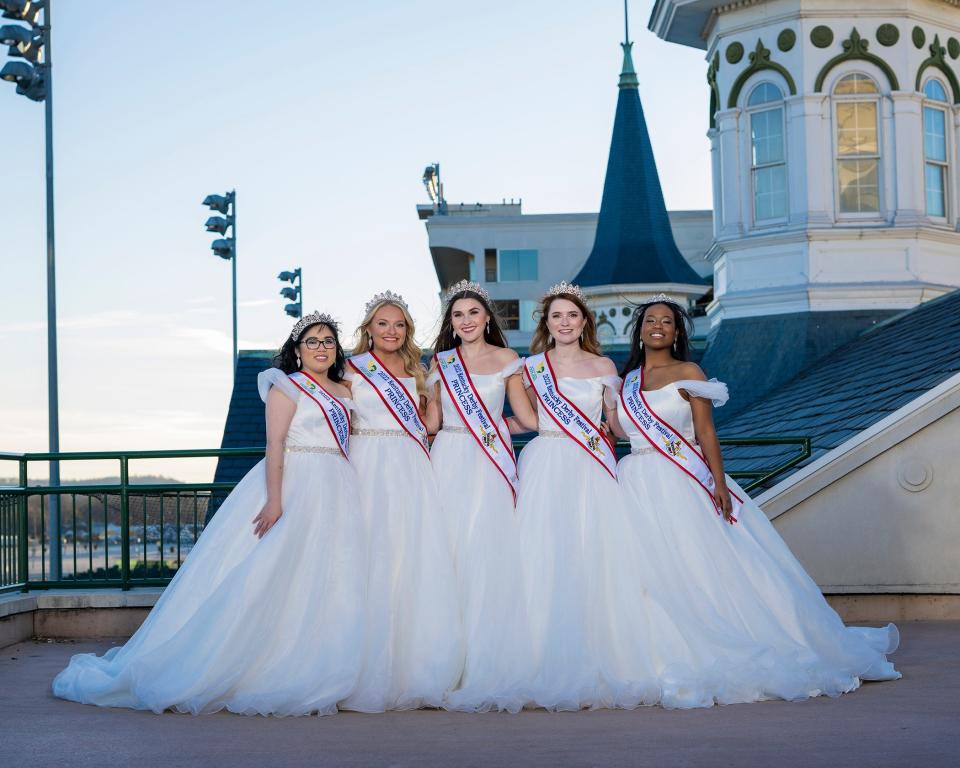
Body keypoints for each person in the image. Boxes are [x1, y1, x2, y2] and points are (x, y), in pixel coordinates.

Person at [53, 313, 366, 716]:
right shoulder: (286, 387)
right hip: (297, 483)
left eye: (327, 341)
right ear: (297, 350)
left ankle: (325, 660)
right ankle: (270, 661)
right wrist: (275, 501)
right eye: (312, 341)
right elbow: (275, 446)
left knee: (329, 576)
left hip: (338, 486)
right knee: (276, 574)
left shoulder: (343, 388)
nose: (321, 347)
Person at [608, 294, 901, 702]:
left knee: (698, 561)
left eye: (667, 322)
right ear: (639, 330)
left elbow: (706, 432)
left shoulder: (690, 371)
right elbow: (625, 434)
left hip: (683, 481)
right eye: (650, 320)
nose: (657, 326)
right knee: (644, 568)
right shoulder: (627, 382)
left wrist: (720, 484)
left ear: (677, 332)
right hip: (636, 481)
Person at [515, 281, 680, 711]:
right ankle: (539, 654)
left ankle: (604, 651)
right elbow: (528, 418)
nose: (565, 322)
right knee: (546, 553)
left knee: (598, 553)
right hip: (547, 461)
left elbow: (617, 425)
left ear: (584, 321)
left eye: (572, 315)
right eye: (557, 316)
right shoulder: (530, 367)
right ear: (547, 324)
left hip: (593, 466)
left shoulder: (605, 366)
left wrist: (667, 435)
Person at [340, 290, 464, 712]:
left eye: (399, 325)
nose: (391, 331)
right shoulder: (351, 369)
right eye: (383, 324)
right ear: (369, 329)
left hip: (410, 465)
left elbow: (429, 424)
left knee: (408, 558)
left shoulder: (420, 370)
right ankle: (359, 660)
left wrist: (443, 396)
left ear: (407, 331)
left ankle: (409, 661)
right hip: (366, 462)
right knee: (369, 554)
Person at [424, 280, 538, 713]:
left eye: (473, 312)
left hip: (489, 461)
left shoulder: (508, 359)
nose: (466, 320)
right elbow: (432, 421)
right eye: (458, 315)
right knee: (447, 551)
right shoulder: (441, 362)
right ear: (450, 324)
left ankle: (486, 657)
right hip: (449, 456)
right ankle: (444, 658)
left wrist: (583, 419)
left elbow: (524, 417)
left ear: (487, 317)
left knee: (487, 552)